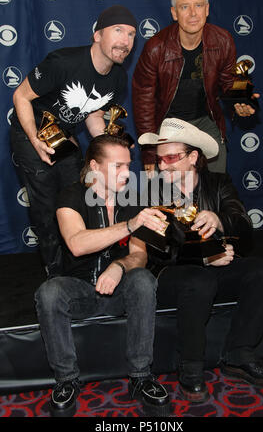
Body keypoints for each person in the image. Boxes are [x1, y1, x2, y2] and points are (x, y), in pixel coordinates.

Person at [137, 118, 263, 403]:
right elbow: (157, 254)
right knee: (199, 280)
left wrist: (220, 220)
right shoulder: (151, 191)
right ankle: (190, 367)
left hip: (216, 268)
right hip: (170, 276)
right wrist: (205, 258)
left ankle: (239, 354)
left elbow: (245, 233)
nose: (163, 165)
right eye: (159, 159)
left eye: (172, 157)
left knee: (262, 271)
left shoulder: (218, 183)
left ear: (193, 157)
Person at [34, 134, 171, 417]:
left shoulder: (132, 198)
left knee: (144, 279)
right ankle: (66, 379)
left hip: (120, 290)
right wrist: (130, 225)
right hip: (81, 291)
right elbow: (77, 243)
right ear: (95, 166)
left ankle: (141, 376)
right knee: (49, 292)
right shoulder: (71, 195)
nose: (127, 173)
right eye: (118, 166)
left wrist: (119, 267)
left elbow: (140, 255)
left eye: (128, 165)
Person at [10, 5, 137, 278]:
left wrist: (109, 144)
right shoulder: (63, 62)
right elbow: (21, 96)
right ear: (97, 35)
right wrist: (34, 140)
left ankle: (81, 264)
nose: (125, 40)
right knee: (45, 203)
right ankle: (56, 274)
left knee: (75, 195)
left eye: (131, 34)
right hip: (29, 131)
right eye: (118, 31)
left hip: (63, 134)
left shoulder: (118, 77)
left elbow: (94, 113)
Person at [132, 0, 259, 175]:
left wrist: (241, 100)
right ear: (174, 13)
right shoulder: (156, 47)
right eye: (185, 7)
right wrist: (149, 151)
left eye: (198, 5)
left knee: (216, 184)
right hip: (167, 124)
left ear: (207, 9)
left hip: (205, 120)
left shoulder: (222, 40)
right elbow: (144, 100)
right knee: (167, 193)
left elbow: (228, 81)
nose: (193, 13)